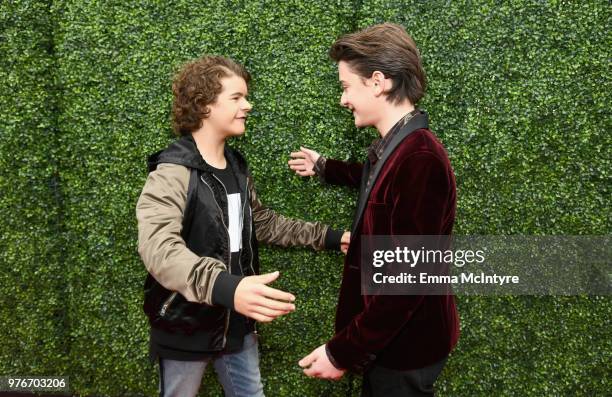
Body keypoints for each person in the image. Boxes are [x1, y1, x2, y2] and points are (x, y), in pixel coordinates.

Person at [136, 55, 348, 397]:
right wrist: (226, 288)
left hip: (237, 324)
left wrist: (332, 238)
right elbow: (159, 250)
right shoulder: (171, 172)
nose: (247, 105)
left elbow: (259, 223)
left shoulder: (235, 166)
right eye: (236, 97)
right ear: (204, 105)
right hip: (185, 325)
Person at [290, 23, 460, 396]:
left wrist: (340, 353)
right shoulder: (400, 147)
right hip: (393, 344)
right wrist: (324, 166)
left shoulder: (420, 158)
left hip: (406, 348)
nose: (343, 99)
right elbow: (375, 179)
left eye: (346, 87)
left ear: (378, 81)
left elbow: (409, 282)